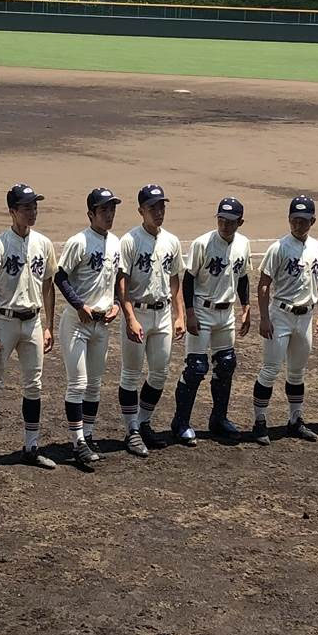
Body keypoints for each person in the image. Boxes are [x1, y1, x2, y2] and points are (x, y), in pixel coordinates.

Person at [0, 185, 59, 468]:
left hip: (33, 321)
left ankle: (31, 446)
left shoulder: (44, 244)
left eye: (34, 206)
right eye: (26, 207)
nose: (32, 212)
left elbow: (48, 286)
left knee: (34, 385)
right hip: (4, 322)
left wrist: (49, 326)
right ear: (12, 211)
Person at [169, 197, 253, 444]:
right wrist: (190, 313)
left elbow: (243, 277)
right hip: (202, 310)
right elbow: (188, 279)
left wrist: (246, 307)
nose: (225, 225)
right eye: (221, 220)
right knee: (196, 368)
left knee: (226, 364)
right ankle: (180, 422)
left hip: (226, 313)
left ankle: (219, 419)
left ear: (240, 222)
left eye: (231, 221)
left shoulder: (243, 244)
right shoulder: (202, 243)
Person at [55, 188, 126, 470]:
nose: (109, 214)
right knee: (78, 383)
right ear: (91, 214)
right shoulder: (79, 242)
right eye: (104, 209)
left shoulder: (116, 243)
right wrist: (79, 305)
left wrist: (117, 305)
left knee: (95, 384)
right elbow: (60, 277)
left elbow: (117, 280)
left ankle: (88, 435)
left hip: (102, 324)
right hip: (77, 323)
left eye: (112, 209)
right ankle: (77, 442)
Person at [251, 194, 318, 444]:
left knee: (297, 372)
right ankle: (260, 422)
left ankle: (295, 420)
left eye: (303, 220)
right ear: (289, 219)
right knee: (270, 369)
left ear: (312, 221)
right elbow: (264, 285)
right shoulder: (279, 248)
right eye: (295, 219)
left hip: (305, 317)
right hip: (280, 315)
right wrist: (264, 318)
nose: (298, 224)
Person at [116, 184, 185, 457]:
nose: (158, 212)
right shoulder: (129, 241)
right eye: (152, 207)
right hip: (138, 312)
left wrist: (179, 315)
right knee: (131, 374)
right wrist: (130, 318)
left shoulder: (172, 241)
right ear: (140, 210)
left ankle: (143, 422)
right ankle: (131, 429)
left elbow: (175, 279)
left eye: (161, 206)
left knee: (159, 373)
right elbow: (122, 283)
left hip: (163, 313)